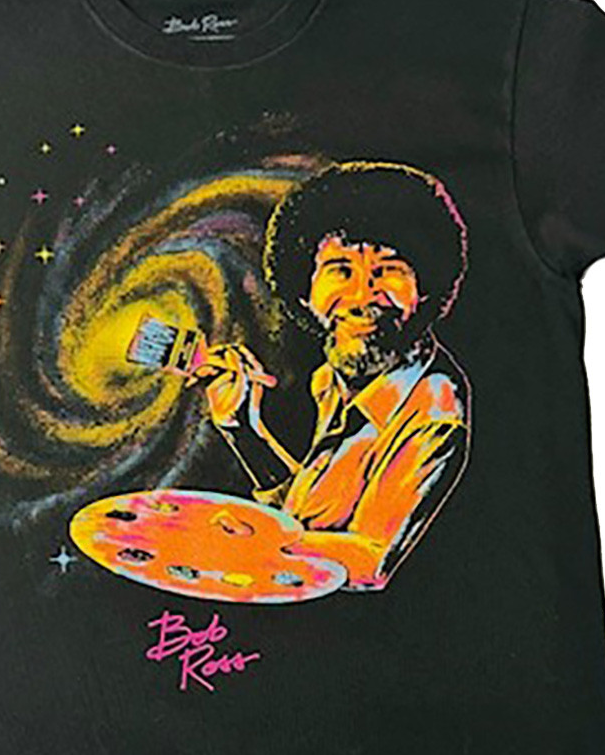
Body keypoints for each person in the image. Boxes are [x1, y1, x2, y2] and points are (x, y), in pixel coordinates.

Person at [193, 160, 472, 591]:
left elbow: (368, 560)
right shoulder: (332, 380)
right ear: (305, 292)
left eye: (388, 270)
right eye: (341, 270)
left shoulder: (435, 405)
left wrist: (245, 542)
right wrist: (243, 428)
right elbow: (305, 517)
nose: (361, 296)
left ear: (426, 289)